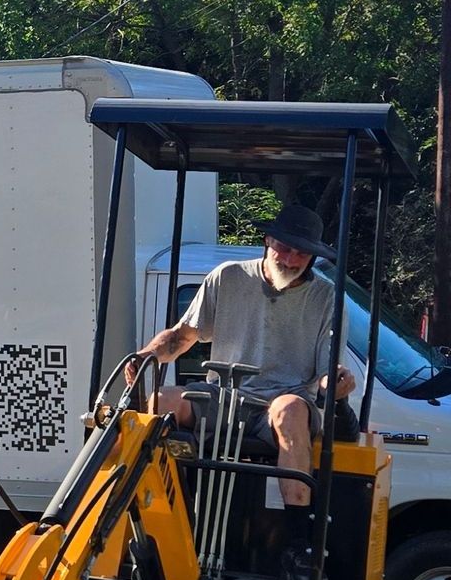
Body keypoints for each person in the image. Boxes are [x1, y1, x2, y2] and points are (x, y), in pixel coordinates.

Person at [128, 202, 356, 513]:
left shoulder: (327, 298)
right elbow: (182, 337)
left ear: (313, 256)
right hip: (223, 396)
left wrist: (337, 384)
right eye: (284, 248)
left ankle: (298, 532)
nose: (290, 259)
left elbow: (327, 370)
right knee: (153, 403)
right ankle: (145, 515)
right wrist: (146, 356)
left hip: (284, 400)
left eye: (301, 253)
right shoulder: (228, 276)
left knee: (289, 410)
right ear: (268, 241)